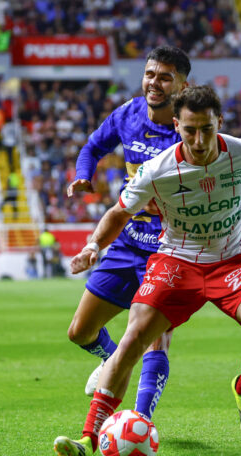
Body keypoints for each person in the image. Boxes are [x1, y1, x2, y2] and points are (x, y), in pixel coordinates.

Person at [53, 85, 241, 456]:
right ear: (177, 125)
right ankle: (88, 440)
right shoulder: (158, 169)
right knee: (133, 338)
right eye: (190, 129)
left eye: (207, 129)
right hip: (177, 261)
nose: (198, 139)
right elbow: (118, 213)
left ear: (219, 123)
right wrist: (94, 246)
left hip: (230, 260)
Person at [63, 46, 191, 423]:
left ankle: (141, 422)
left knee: (153, 338)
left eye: (165, 76)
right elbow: (92, 146)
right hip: (127, 241)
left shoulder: (191, 130)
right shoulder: (129, 114)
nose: (155, 82)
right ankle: (115, 359)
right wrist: (83, 174)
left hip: (168, 250)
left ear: (184, 85)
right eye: (151, 74)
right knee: (80, 332)